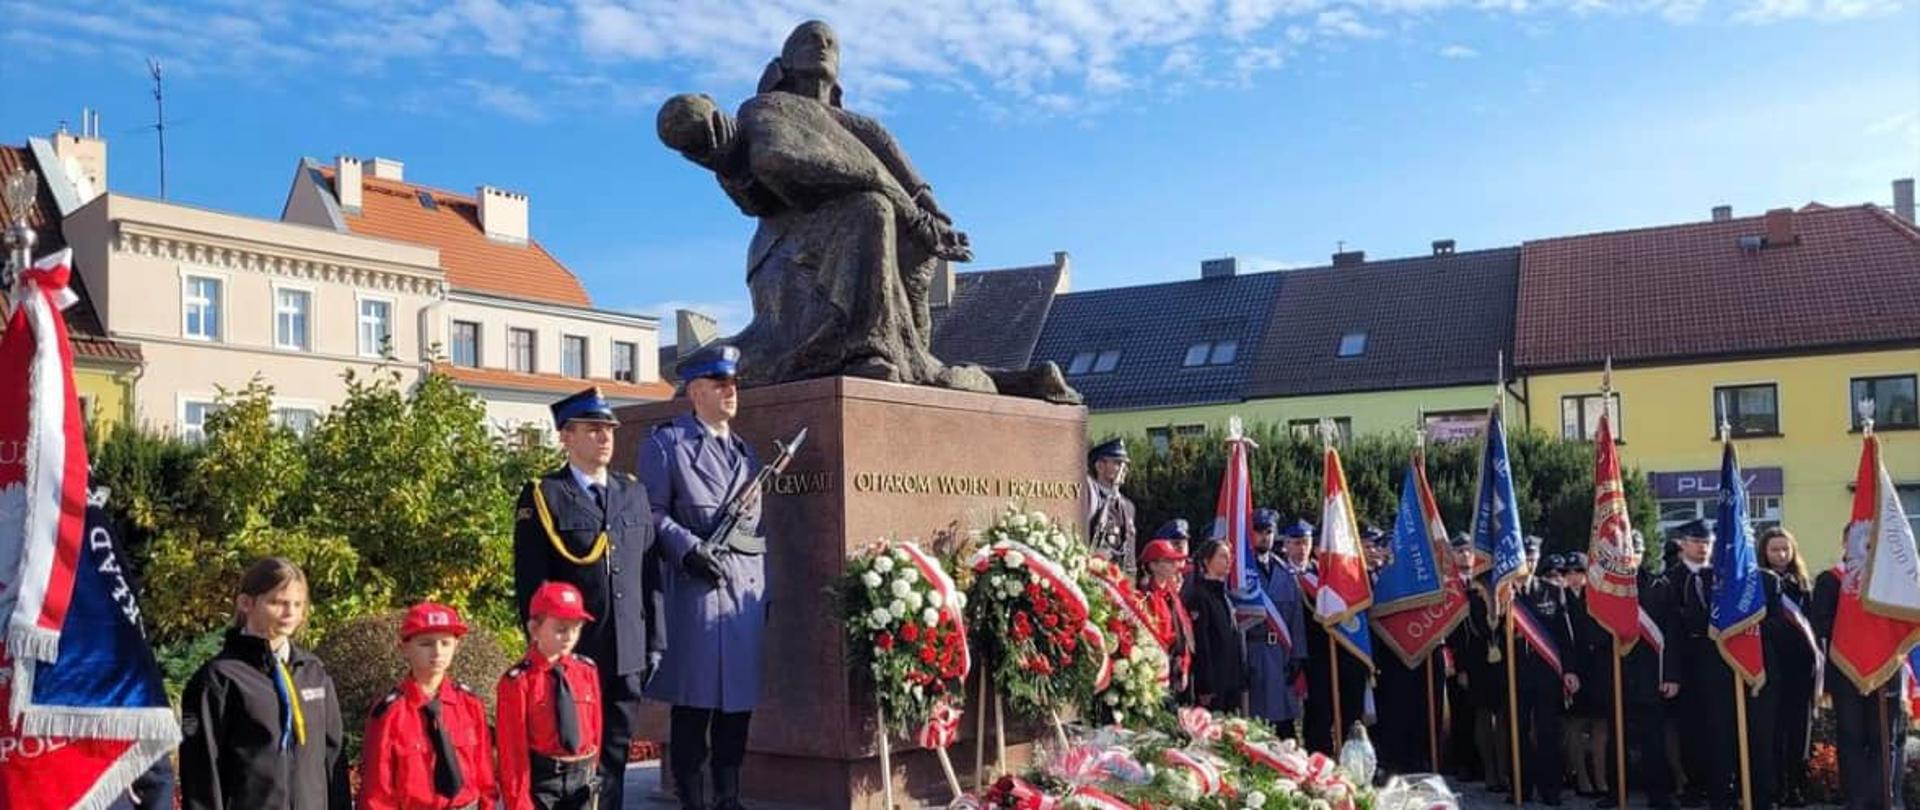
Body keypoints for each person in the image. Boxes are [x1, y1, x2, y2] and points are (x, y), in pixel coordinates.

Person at [514, 386, 665, 810]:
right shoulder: (545, 495)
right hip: (573, 651)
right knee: (569, 755)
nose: (605, 438)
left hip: (628, 649)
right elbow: (531, 583)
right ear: (566, 436)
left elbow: (649, 573)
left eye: (609, 430)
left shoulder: (631, 492)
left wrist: (656, 640)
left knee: (614, 754)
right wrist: (542, 648)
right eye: (593, 429)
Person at [640, 344, 773, 810]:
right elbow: (651, 514)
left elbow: (758, 532)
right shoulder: (666, 444)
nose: (731, 391)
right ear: (696, 391)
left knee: (737, 704)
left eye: (733, 383)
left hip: (743, 593)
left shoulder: (746, 453)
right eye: (720, 384)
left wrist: (765, 591)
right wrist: (688, 550)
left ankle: (729, 797)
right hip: (695, 587)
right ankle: (693, 800)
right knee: (695, 703)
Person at [180, 557, 347, 810]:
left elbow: (333, 757)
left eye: (298, 604)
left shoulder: (314, 673)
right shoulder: (219, 678)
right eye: (277, 602)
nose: (290, 612)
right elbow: (201, 771)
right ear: (246, 603)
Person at [359, 603, 497, 810]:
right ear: (405, 648)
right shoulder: (389, 713)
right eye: (426, 644)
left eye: (445, 643)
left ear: (456, 646)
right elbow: (378, 791)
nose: (437, 652)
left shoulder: (469, 705)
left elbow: (484, 774)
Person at [1811, 533, 1909, 810]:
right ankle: (1857, 801)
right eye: (1859, 541)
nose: (1866, 547)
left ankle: (1885, 799)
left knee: (1884, 738)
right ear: (1845, 544)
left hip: (1885, 669)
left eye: (1871, 541)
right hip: (1847, 671)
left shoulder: (1889, 580)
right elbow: (1821, 624)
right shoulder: (1829, 580)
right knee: (1852, 738)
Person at [499, 582, 605, 810]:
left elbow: (595, 729)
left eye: (575, 628)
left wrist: (592, 772)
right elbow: (513, 750)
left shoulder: (586, 671)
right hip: (544, 781)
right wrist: (518, 802)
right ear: (535, 629)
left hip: (582, 778)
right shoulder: (519, 680)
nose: (569, 636)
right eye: (560, 629)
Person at [1511, 536, 1583, 807]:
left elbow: (1566, 636)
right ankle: (1521, 787)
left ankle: (1550, 789)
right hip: (1515, 673)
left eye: (1532, 557)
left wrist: (1570, 670)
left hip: (1545, 674)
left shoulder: (1552, 591)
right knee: (1517, 731)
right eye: (1524, 557)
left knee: (1547, 732)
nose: (1528, 561)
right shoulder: (1504, 594)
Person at [1759, 527, 1817, 808]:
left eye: (1785, 549)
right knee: (1773, 731)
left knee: (1799, 732)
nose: (1781, 555)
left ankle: (1796, 787)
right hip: (1770, 666)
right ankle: (1774, 788)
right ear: (1764, 552)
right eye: (1774, 550)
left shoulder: (1804, 585)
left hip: (1801, 667)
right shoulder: (1757, 583)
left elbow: (1813, 627)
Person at [1246, 508, 1309, 738]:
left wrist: (1298, 657)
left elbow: (1295, 619)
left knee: (1284, 726)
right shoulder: (1243, 571)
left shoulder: (1285, 572)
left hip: (1281, 656)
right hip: (1253, 653)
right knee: (1254, 724)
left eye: (1269, 531)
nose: (1264, 536)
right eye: (1259, 531)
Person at [1563, 552, 1609, 799]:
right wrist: (1569, 670)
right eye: (1569, 573)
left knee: (1601, 725)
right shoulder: (1561, 600)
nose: (1574, 578)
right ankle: (1581, 778)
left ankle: (1600, 778)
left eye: (1578, 573)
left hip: (1599, 669)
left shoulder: (1598, 597)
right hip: (1574, 669)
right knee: (1576, 725)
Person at [1183, 538, 1247, 713]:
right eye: (1222, 556)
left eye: (1230, 557)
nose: (1229, 561)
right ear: (1206, 561)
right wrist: (1205, 686)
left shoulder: (1224, 596)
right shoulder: (1199, 596)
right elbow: (1202, 644)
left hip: (1230, 680)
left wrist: (1240, 677)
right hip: (1214, 685)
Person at [1441, 533, 1484, 783]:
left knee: (1483, 713)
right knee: (1460, 714)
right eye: (1459, 551)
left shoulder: (1482, 583)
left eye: (1468, 551)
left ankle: (1482, 763)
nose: (1465, 555)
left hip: (1484, 660)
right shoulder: (1448, 586)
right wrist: (1457, 665)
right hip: (1458, 661)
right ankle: (1462, 763)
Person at [1139, 538, 1195, 699]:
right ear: (1153, 566)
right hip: (1156, 672)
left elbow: (1184, 633)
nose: (1174, 565)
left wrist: (1183, 667)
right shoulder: (1145, 597)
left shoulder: (1172, 596)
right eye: (1168, 560)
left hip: (1175, 672)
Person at [1084, 438, 1138, 573]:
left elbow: (1129, 553)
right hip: (1098, 577)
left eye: (1126, 464)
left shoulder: (1128, 506)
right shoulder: (1091, 500)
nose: (1124, 469)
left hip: (1123, 581)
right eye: (1118, 463)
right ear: (1100, 466)